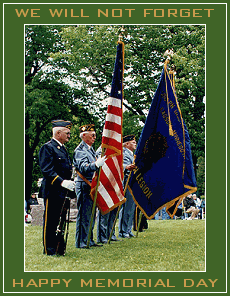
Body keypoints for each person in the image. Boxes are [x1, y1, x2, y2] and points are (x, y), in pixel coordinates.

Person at [39, 120, 75, 256]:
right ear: (58, 133)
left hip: (63, 190)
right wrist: (62, 182)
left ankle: (59, 246)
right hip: (52, 190)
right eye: (67, 133)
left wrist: (69, 183)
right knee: (51, 220)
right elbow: (47, 170)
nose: (69, 136)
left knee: (60, 219)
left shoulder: (62, 149)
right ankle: (49, 249)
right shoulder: (47, 148)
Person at [73, 124, 106, 248]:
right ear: (84, 136)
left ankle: (89, 240)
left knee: (91, 215)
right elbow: (83, 167)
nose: (94, 137)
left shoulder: (90, 149)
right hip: (84, 185)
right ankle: (81, 242)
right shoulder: (80, 150)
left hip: (91, 185)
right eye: (92, 135)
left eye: (95, 135)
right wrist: (96, 165)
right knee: (84, 215)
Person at [95, 145, 120, 243]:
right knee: (104, 212)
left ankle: (110, 234)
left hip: (113, 184)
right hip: (104, 185)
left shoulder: (114, 150)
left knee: (112, 212)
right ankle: (102, 236)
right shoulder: (100, 151)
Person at [118, 135, 137, 238]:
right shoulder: (124, 153)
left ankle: (128, 229)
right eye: (133, 142)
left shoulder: (132, 154)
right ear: (127, 144)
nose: (135, 144)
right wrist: (127, 167)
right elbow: (122, 166)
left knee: (131, 208)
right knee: (126, 208)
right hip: (127, 182)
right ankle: (123, 231)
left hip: (133, 182)